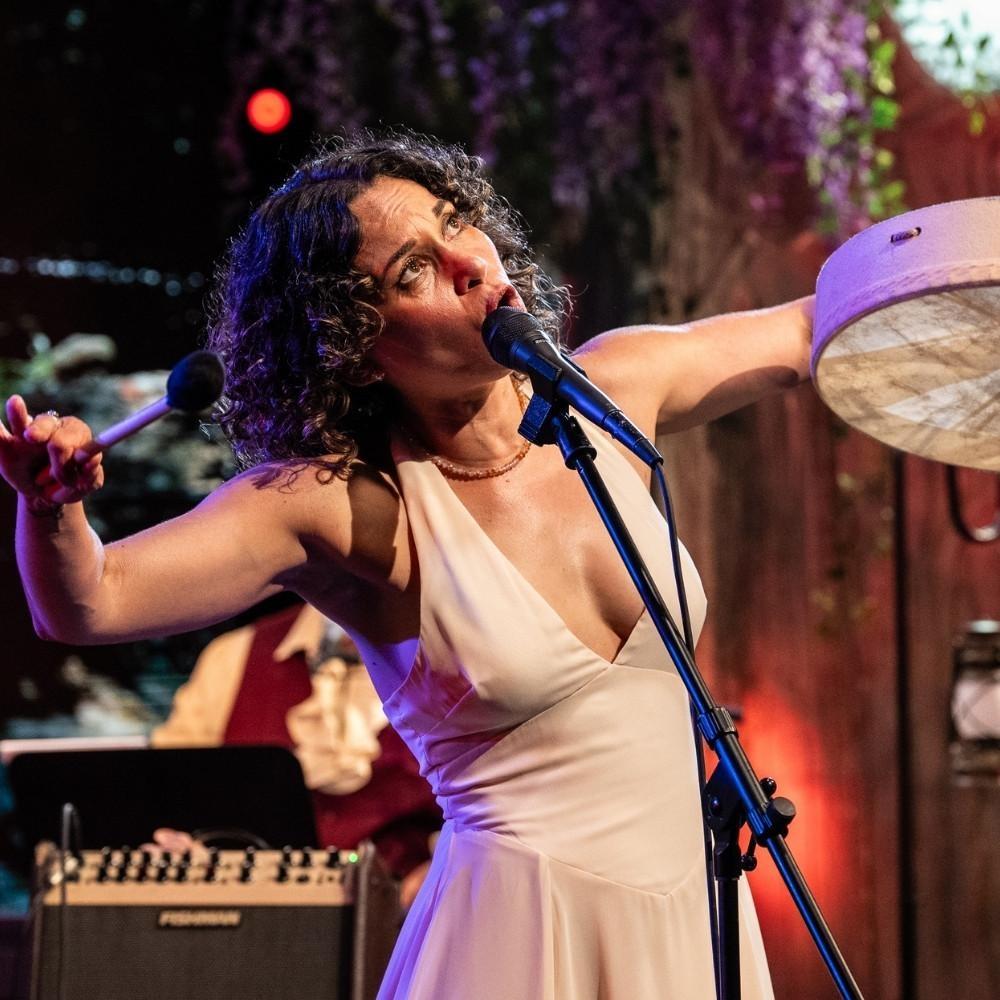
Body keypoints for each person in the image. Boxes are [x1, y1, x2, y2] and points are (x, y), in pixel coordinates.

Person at [1, 130, 813, 999]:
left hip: (695, 922)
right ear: (351, 344)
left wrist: (925, 251)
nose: (468, 261)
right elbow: (91, 601)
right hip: (518, 943)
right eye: (413, 270)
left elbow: (811, 326)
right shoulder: (341, 504)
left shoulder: (615, 389)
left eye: (457, 221)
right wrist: (51, 508)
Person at [150, 601, 441, 905]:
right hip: (247, 912)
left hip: (406, 920)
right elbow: (171, 794)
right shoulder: (235, 654)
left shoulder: (451, 656)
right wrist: (184, 849)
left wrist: (441, 870)